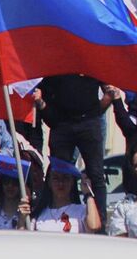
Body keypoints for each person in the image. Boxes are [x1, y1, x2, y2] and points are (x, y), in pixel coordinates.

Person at [40, 74, 117, 222]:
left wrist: (97, 110)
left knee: (96, 174)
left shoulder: (89, 59)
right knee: (60, 172)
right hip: (62, 123)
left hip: (88, 121)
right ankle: (62, 217)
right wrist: (47, 110)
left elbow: (109, 88)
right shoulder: (58, 63)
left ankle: (98, 223)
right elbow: (44, 93)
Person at [31, 160, 102, 233]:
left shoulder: (82, 210)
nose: (61, 183)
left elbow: (94, 226)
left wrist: (88, 194)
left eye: (66, 178)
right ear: (49, 182)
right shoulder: (39, 214)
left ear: (72, 182)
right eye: (56, 178)